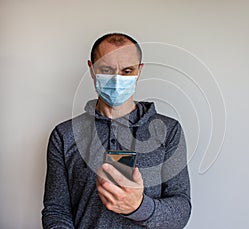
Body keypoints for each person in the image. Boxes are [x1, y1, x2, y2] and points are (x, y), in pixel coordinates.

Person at [42, 33, 191, 228]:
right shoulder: (64, 135)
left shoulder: (169, 131)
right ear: (92, 69)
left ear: (139, 71)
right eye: (106, 69)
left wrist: (138, 206)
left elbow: (181, 210)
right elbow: (56, 210)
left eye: (127, 70)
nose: (117, 79)